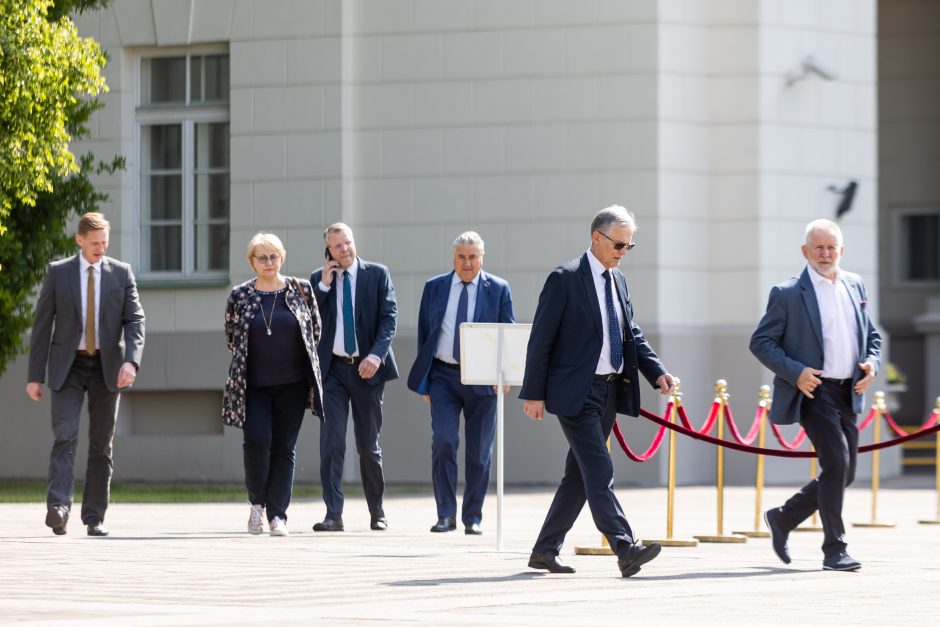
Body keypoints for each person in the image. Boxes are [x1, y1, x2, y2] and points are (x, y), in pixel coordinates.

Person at [519, 206, 675, 577]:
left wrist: (657, 371)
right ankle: (625, 547)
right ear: (597, 238)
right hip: (576, 392)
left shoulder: (617, 280)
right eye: (619, 244)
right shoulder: (565, 278)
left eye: (629, 246)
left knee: (578, 476)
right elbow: (541, 340)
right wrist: (533, 393)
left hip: (608, 391)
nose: (623, 251)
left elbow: (630, 332)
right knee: (599, 470)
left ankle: (544, 550)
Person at [751, 219, 881, 572]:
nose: (825, 254)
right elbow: (761, 342)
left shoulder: (855, 285)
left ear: (842, 249)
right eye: (818, 248)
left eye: (831, 247)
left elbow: (872, 336)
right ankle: (834, 549)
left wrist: (871, 362)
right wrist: (796, 372)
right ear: (805, 251)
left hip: (848, 391)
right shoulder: (788, 293)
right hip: (814, 390)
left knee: (847, 471)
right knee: (836, 464)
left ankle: (783, 517)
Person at [26, 212, 145, 537]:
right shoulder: (58, 272)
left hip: (108, 366)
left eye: (104, 242)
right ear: (80, 240)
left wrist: (131, 362)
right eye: (94, 243)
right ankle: (59, 507)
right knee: (65, 435)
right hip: (68, 365)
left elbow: (135, 320)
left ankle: (94, 517)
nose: (100, 248)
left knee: (101, 444)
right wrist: (35, 375)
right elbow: (41, 325)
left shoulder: (121, 273)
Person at [407, 231, 515, 535]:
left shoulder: (499, 289)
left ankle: (473, 517)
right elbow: (425, 334)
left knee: (479, 451)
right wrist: (426, 379)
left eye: (472, 257)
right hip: (443, 377)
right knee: (444, 441)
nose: (467, 263)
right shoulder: (435, 287)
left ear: (482, 258)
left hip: (483, 379)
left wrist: (503, 374)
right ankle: (445, 514)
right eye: (461, 257)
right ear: (453, 258)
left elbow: (507, 333)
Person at [223, 233, 324, 537]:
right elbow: (231, 337)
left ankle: (278, 515)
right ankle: (257, 504)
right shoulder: (240, 295)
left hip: (292, 385)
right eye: (261, 257)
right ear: (252, 261)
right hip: (253, 385)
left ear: (282, 258)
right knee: (256, 441)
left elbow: (314, 331)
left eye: (273, 256)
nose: (268, 263)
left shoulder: (300, 290)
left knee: (284, 448)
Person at [310, 223, 398, 532]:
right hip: (333, 371)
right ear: (328, 252)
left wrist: (375, 355)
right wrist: (322, 286)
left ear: (353, 242)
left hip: (367, 370)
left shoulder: (377, 274)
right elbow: (311, 319)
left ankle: (377, 511)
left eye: (347, 243)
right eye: (336, 246)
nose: (344, 249)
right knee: (331, 443)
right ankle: (333, 514)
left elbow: (389, 319)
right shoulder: (319, 281)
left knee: (367, 445)